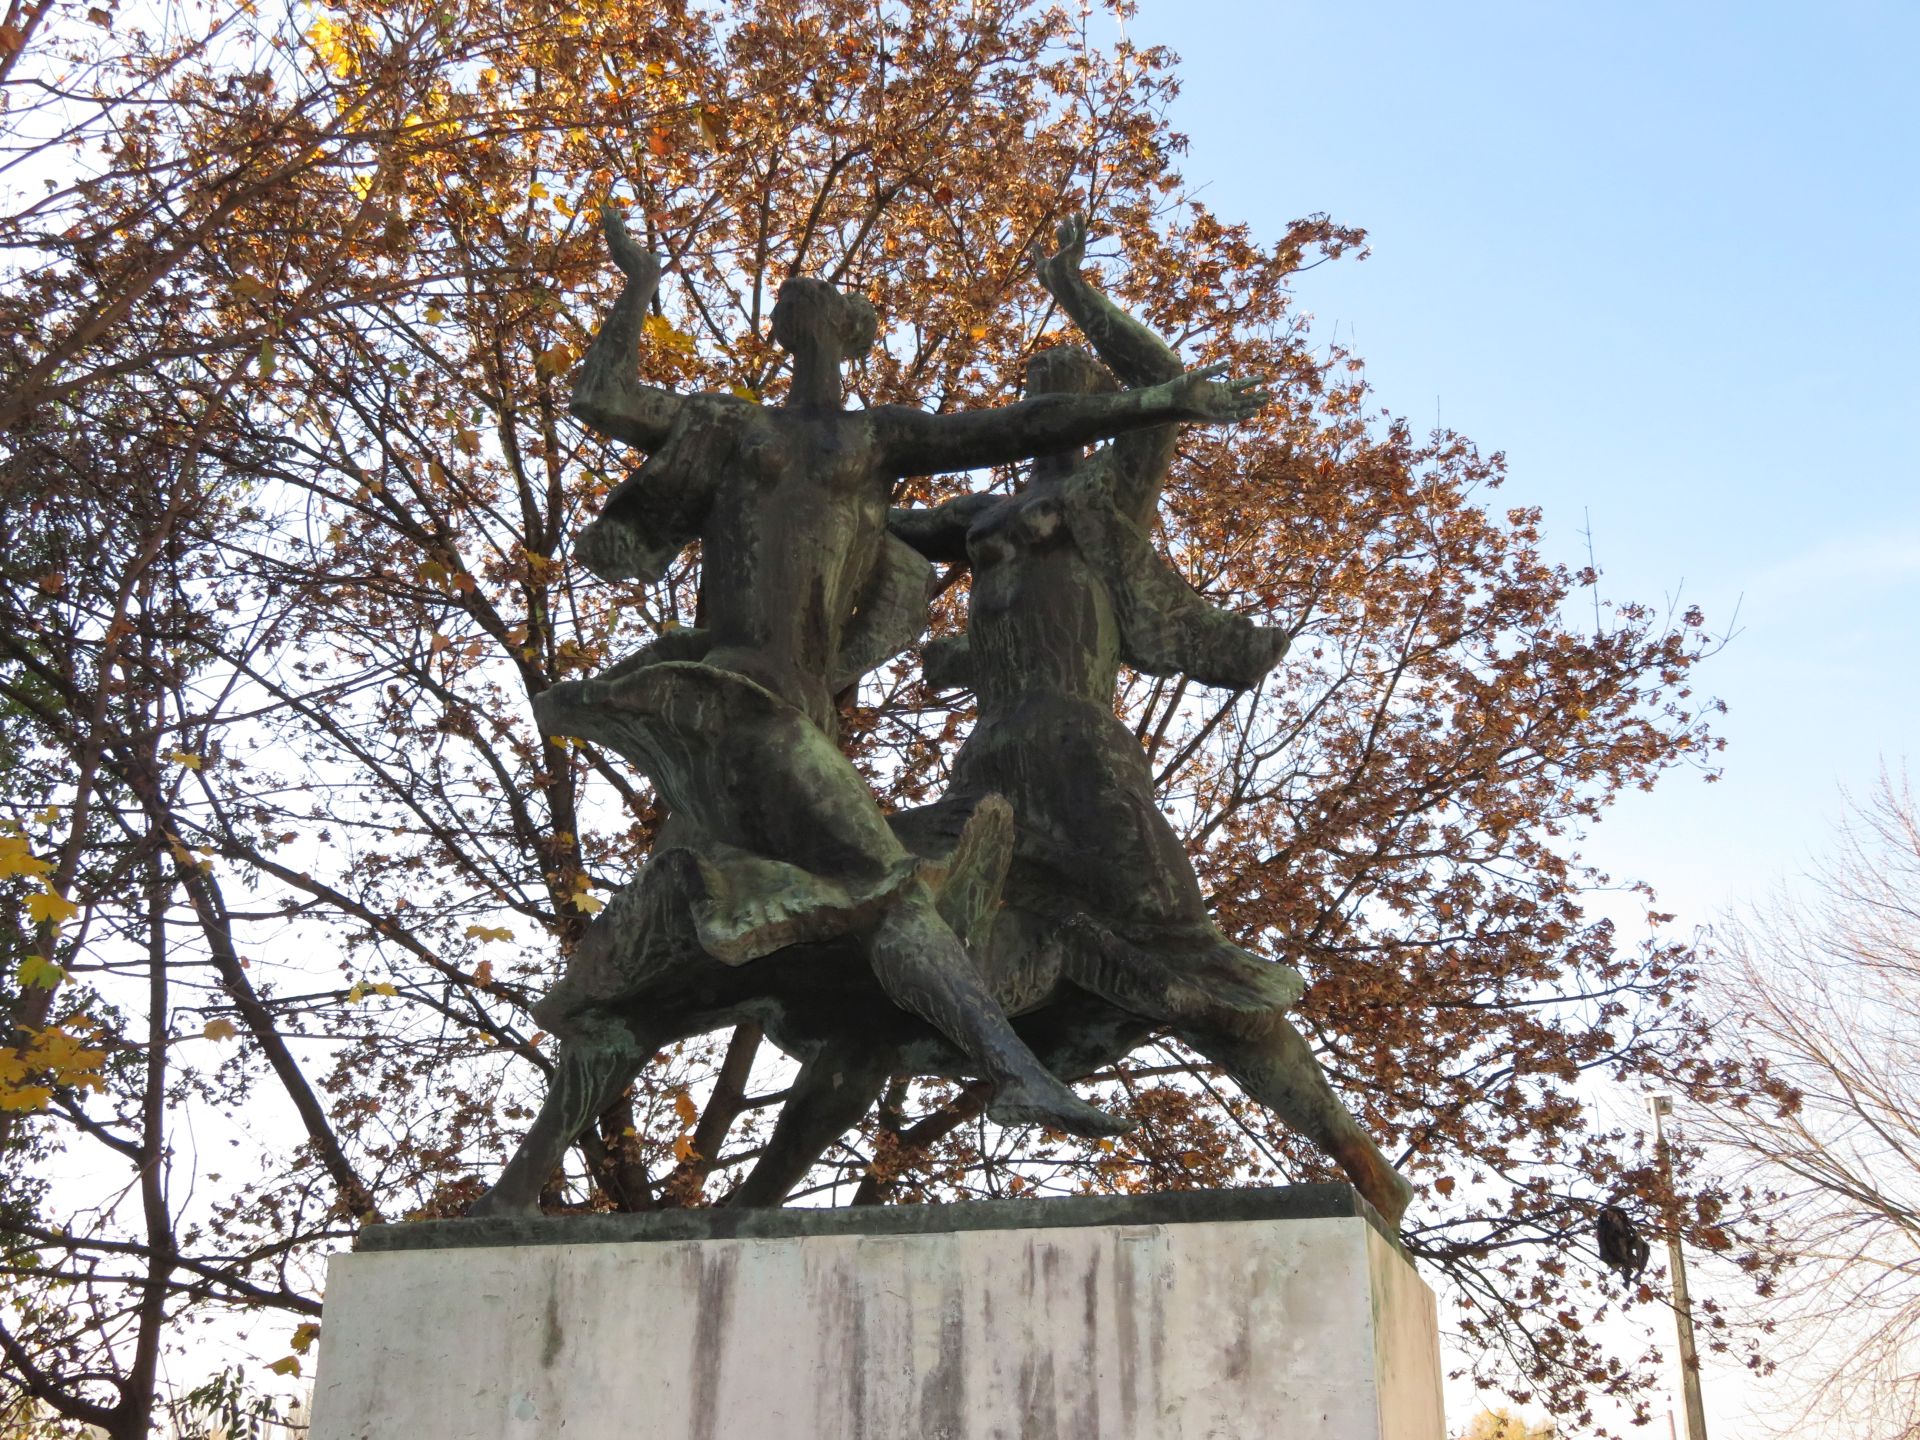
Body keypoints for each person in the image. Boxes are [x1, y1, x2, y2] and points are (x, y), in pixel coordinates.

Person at [470, 210, 1270, 1216]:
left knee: (642, 974)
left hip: (803, 730)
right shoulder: (738, 429)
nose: (801, 304)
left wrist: (1163, 396)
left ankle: (511, 1196)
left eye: (822, 303)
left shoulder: (892, 444)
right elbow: (602, 397)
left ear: (846, 335)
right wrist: (636, 284)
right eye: (792, 304)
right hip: (744, 707)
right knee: (887, 892)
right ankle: (1015, 1069)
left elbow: (1013, 430)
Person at [882, 217, 1412, 1224]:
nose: (1049, 408)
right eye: (1036, 395)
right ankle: (1001, 1052)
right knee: (888, 889)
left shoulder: (1109, 493)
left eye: (1069, 393)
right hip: (989, 759)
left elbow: (1162, 382)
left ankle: (1350, 1145)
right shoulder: (979, 513)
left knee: (1184, 956)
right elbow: (864, 518)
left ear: (1093, 412)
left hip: (1082, 752)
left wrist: (1076, 290)